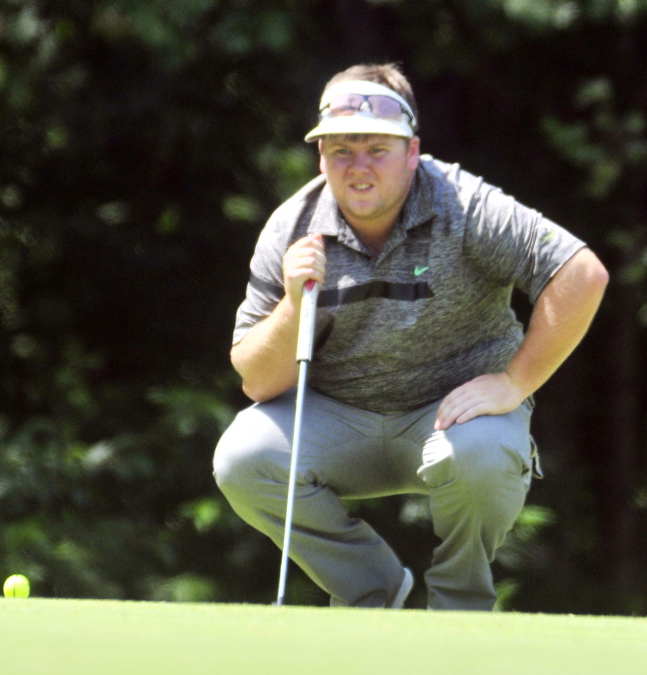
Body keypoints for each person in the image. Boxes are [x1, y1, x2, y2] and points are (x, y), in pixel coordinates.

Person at [212, 63, 609, 611]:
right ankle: (371, 588)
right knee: (242, 458)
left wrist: (515, 383)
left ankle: (457, 609)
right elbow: (258, 380)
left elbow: (582, 273)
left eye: (377, 148)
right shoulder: (291, 226)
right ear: (320, 155)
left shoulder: (464, 205)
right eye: (341, 150)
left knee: (485, 454)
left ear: (412, 149)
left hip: (452, 417)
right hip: (340, 418)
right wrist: (295, 304)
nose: (358, 168)